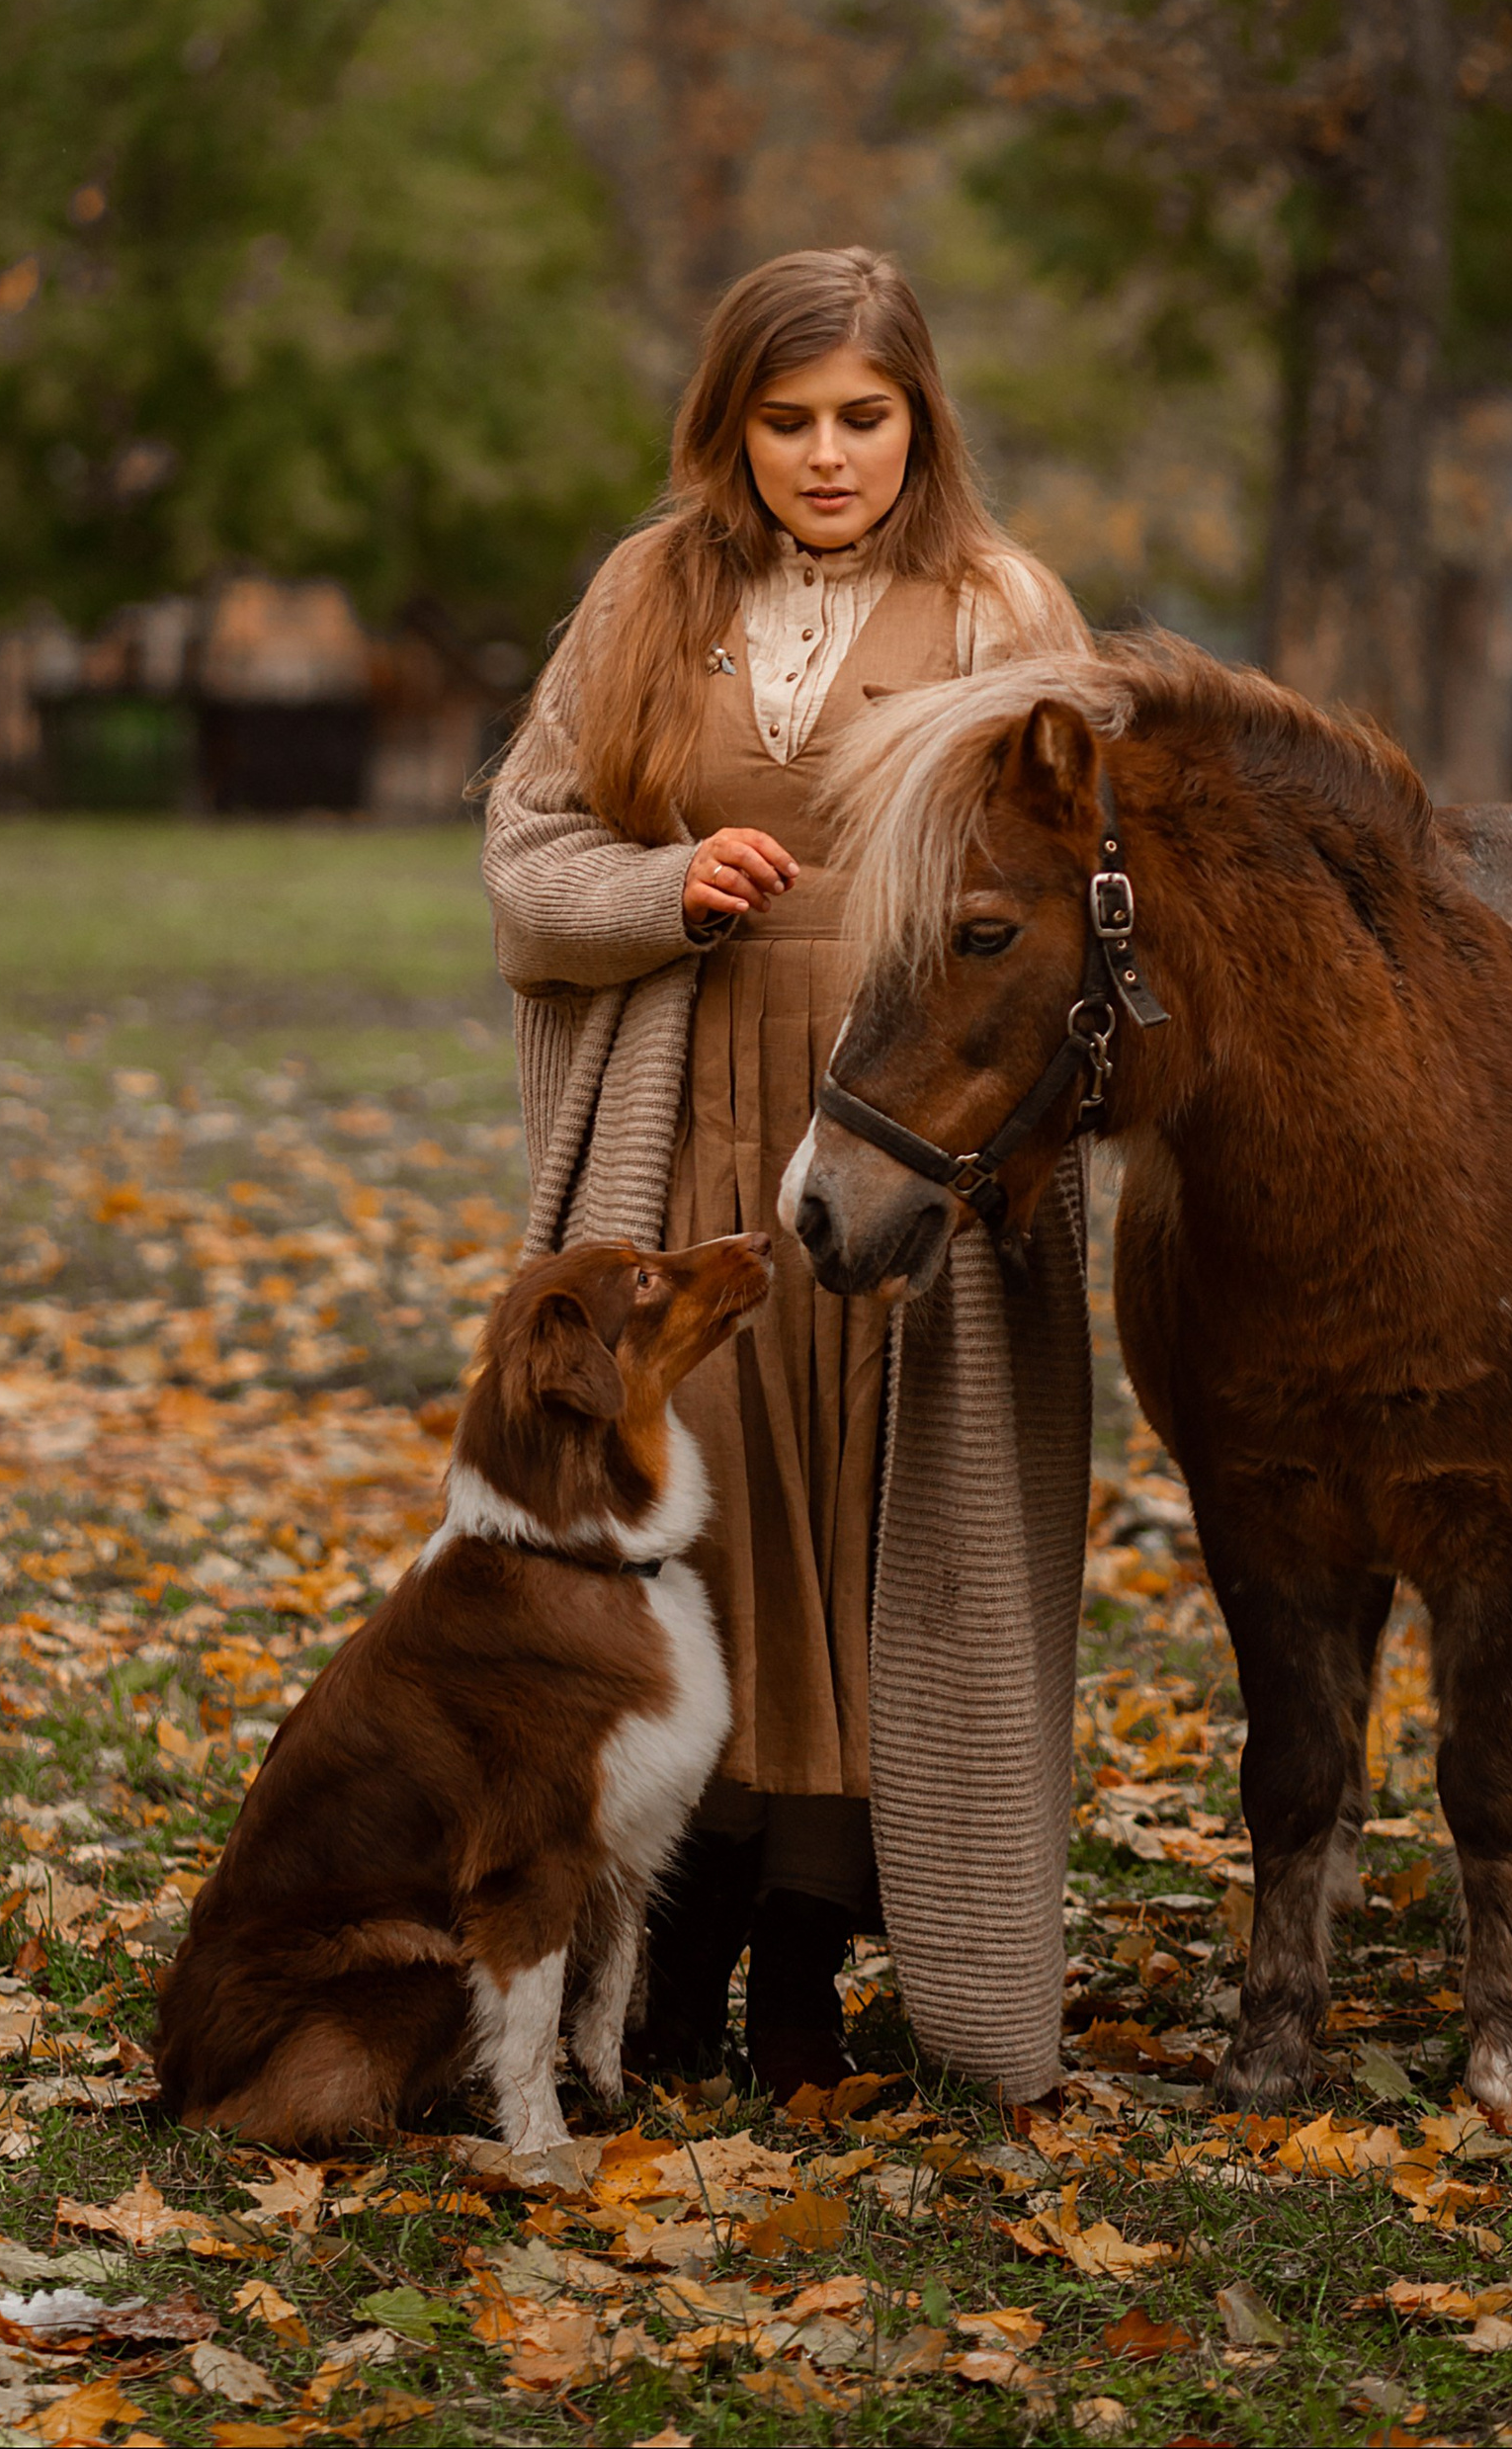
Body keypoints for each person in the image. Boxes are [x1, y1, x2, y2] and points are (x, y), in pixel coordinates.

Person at [482, 248, 1095, 2108]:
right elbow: (526, 848)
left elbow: (1079, 885)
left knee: (876, 1544)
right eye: (788, 420)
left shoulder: (1000, 604)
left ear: (920, 421)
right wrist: (662, 889)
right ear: (729, 428)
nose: (828, 456)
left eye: (864, 418)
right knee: (711, 1539)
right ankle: (669, 1969)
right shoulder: (652, 593)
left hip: (916, 1139)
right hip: (697, 1136)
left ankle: (815, 1981)